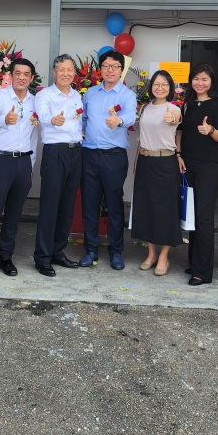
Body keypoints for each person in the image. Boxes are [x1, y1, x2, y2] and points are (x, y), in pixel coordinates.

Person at [0, 58, 39, 280]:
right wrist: (5, 119)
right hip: (0, 160)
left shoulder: (35, 102)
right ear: (10, 76)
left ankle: (6, 257)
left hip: (23, 162)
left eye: (26, 74)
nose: (22, 77)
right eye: (18, 73)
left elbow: (34, 135)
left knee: (14, 214)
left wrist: (31, 164)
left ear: (32, 78)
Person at [79, 49, 137, 270]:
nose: (110, 70)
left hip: (113, 156)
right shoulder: (90, 93)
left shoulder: (127, 94)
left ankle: (115, 251)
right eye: (106, 66)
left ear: (121, 70)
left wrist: (119, 121)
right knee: (89, 204)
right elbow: (84, 119)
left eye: (115, 67)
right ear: (100, 69)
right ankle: (90, 250)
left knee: (114, 204)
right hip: (89, 155)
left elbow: (130, 115)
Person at [176, 63, 218, 286]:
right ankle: (195, 262)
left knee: (204, 217)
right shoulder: (187, 103)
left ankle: (203, 272)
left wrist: (211, 130)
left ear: (212, 82)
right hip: (187, 164)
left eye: (204, 79)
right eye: (196, 79)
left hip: (209, 166)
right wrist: (178, 154)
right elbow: (180, 132)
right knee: (191, 214)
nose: (200, 83)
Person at [33, 54, 84, 277]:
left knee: (67, 205)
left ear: (74, 73)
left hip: (76, 152)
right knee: (50, 206)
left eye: (70, 69)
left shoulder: (77, 95)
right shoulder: (44, 95)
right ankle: (42, 257)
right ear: (54, 72)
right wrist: (53, 119)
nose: (66, 73)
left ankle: (58, 251)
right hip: (55, 152)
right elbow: (43, 115)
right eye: (62, 69)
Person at [132, 70, 182, 276]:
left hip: (165, 163)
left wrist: (171, 119)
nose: (159, 88)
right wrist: (137, 161)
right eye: (156, 84)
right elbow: (141, 137)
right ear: (151, 87)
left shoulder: (174, 108)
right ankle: (151, 254)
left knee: (165, 210)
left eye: (164, 84)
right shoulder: (145, 107)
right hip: (145, 161)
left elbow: (174, 120)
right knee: (147, 208)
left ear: (170, 88)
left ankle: (163, 257)